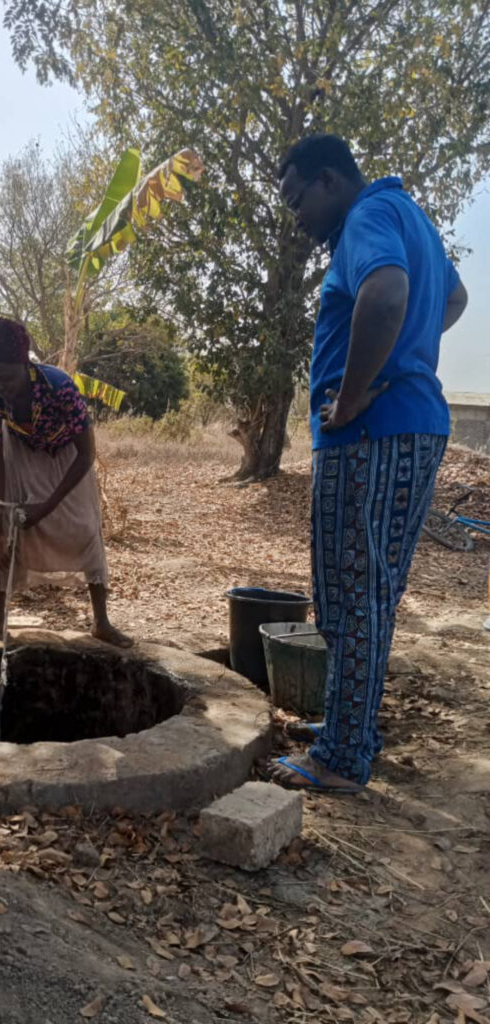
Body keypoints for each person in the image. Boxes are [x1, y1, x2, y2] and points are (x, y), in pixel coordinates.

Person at [270, 134, 468, 793]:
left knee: (349, 598)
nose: (296, 217)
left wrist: (352, 398)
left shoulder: (368, 217)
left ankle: (341, 760)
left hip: (369, 434)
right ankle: (348, 732)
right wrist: (408, 356)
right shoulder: (410, 215)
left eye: (298, 200)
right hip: (415, 427)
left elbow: (384, 297)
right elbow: (455, 299)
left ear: (330, 180)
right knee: (374, 594)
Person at [0, 317, 131, 648]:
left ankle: (101, 621)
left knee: (86, 529)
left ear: (24, 364)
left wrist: (47, 506)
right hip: (19, 451)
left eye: (6, 377)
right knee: (4, 532)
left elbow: (87, 453)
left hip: (67, 454)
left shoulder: (60, 387)